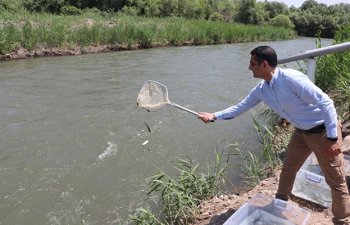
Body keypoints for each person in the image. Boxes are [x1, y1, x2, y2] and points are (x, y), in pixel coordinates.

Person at [198, 46, 350, 225]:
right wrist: (214, 115)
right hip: (301, 132)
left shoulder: (291, 79)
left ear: (264, 64)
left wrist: (332, 138)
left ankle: (342, 221)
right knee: (288, 169)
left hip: (323, 132)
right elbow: (241, 107)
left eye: (252, 64)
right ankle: (280, 205)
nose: (249, 68)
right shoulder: (262, 89)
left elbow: (326, 102)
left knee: (336, 181)